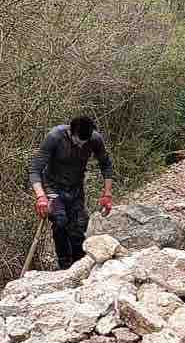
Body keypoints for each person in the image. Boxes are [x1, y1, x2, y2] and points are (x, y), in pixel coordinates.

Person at [29, 115, 118, 269]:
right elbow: (35, 169)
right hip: (53, 188)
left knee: (79, 228)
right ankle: (64, 266)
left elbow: (106, 165)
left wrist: (107, 193)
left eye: (84, 143)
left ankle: (80, 267)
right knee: (60, 222)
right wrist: (41, 196)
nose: (80, 145)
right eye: (77, 142)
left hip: (76, 188)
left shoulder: (95, 139)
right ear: (71, 132)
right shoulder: (55, 137)